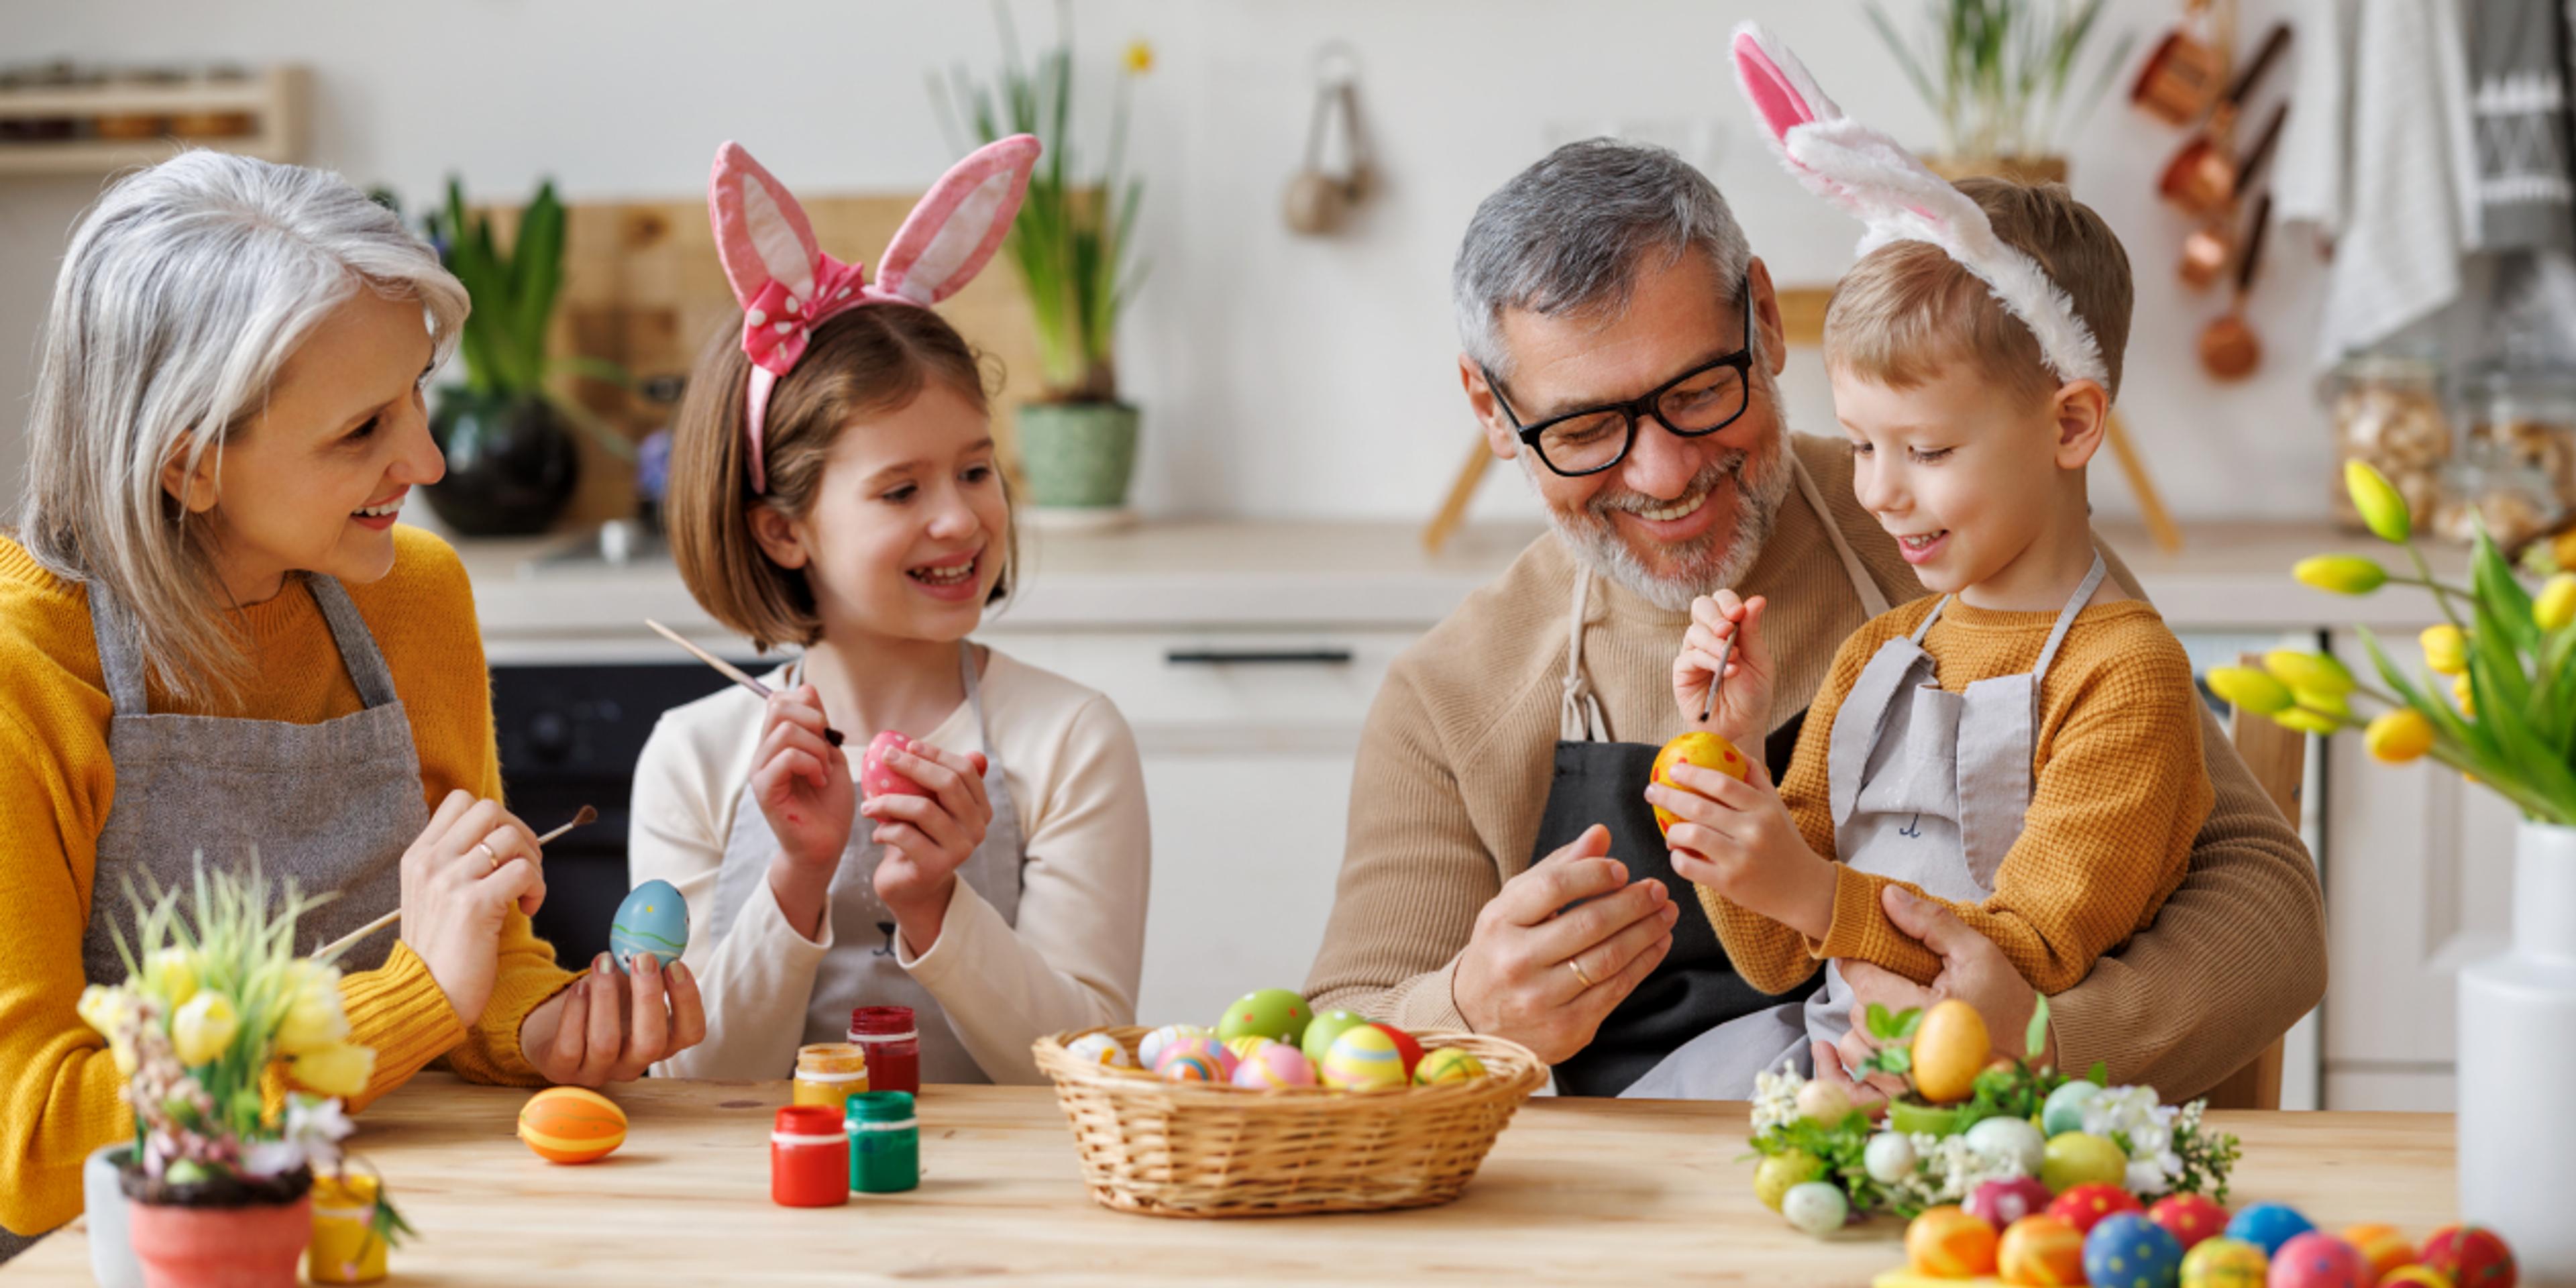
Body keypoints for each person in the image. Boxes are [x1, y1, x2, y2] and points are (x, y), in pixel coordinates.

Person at [1302, 133, 2326, 1099]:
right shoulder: (1455, 695)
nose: (1665, 474)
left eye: (1700, 389)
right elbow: (1333, 1036)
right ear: (1492, 411)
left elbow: (2267, 906)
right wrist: (1472, 1013)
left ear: (1765, 318)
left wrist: (2033, 1045)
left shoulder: (1964, 535)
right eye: (1586, 427)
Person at [0, 152, 701, 1252]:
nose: (423, 456)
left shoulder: (413, 598)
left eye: (419, 393)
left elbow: (477, 943)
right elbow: (34, 1141)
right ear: (189, 466)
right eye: (360, 430)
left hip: (393, 1217)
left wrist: (546, 1022)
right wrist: (412, 1000)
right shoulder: (20, 672)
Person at [1637, 27, 2212, 1099]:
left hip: (2010, 1115)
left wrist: (1814, 893)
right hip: (1839, 1076)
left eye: (1929, 450)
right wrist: (1727, 769)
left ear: (2072, 424)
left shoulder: (2123, 677)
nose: (1879, 490)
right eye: (1861, 444)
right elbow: (1773, 959)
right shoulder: (1878, 657)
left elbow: (2018, 962)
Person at [630, 140, 1149, 1085]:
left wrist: (937, 910)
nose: (960, 517)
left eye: (976, 470)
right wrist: (796, 877)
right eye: (901, 490)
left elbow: (1091, 1070)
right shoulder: (691, 757)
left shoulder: (1072, 738)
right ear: (785, 531)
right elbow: (690, 1085)